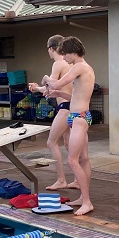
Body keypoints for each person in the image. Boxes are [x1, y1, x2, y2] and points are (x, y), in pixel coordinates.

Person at [43, 36, 96, 216]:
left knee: (72, 160)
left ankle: (87, 202)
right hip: (80, 116)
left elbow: (56, 82)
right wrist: (59, 94)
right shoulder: (85, 68)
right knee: (84, 159)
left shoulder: (80, 67)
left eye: (65, 54)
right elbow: (77, 97)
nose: (63, 58)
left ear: (73, 52)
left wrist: (46, 80)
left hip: (79, 118)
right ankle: (83, 197)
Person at [28, 34, 77, 191]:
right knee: (70, 144)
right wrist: (38, 88)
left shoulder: (58, 64)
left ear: (51, 49)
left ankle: (61, 179)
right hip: (73, 106)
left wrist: (42, 84)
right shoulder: (70, 64)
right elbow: (56, 86)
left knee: (51, 142)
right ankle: (76, 179)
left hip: (64, 107)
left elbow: (52, 87)